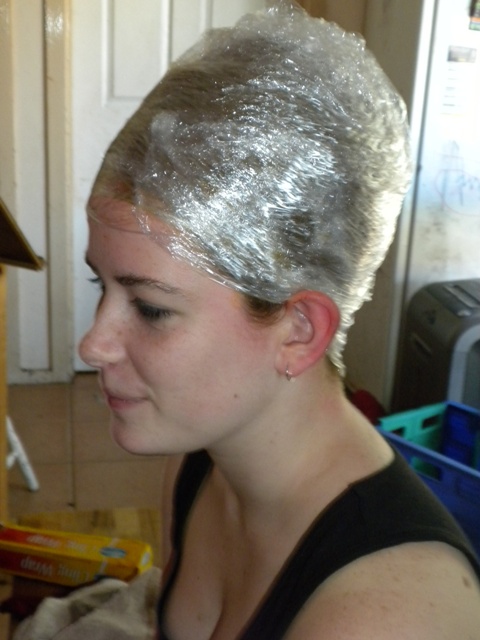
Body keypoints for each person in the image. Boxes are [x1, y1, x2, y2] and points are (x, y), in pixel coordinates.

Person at [79, 2, 480, 638]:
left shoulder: (383, 614)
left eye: (151, 308)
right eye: (99, 285)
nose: (94, 344)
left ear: (300, 331)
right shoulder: (199, 463)